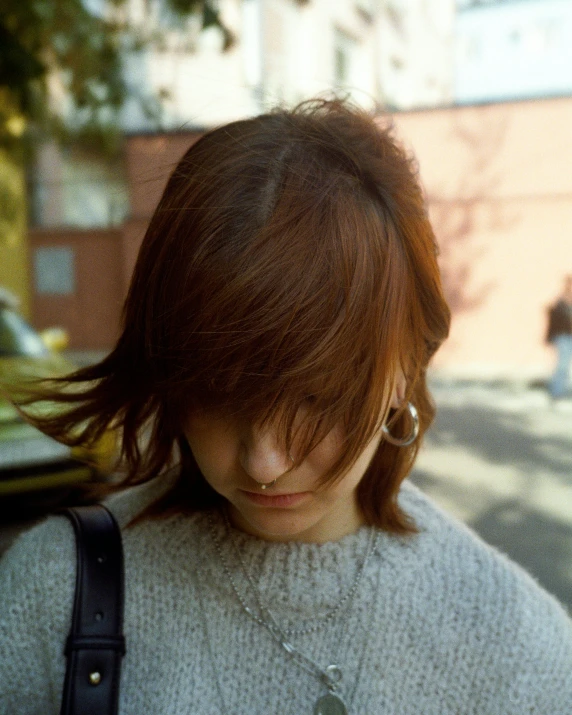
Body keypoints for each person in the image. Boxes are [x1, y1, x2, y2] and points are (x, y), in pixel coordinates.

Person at [1, 99, 571, 715]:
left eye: (319, 396)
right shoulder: (55, 592)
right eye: (216, 395)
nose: (263, 461)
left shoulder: (515, 642)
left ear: (407, 366)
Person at [546, 274, 572, 400]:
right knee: (562, 365)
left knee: (565, 366)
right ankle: (556, 393)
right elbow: (554, 322)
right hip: (564, 337)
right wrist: (549, 337)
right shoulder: (561, 303)